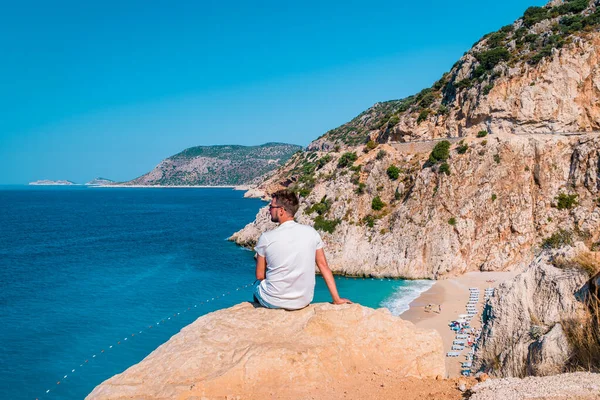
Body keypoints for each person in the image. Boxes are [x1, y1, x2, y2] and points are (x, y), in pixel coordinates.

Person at [253, 189, 351, 310]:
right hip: (302, 301)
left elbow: (259, 275)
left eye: (271, 207)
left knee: (256, 285)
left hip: (273, 301)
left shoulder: (266, 237)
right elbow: (323, 266)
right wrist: (337, 299)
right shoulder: (312, 233)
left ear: (281, 210)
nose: (269, 210)